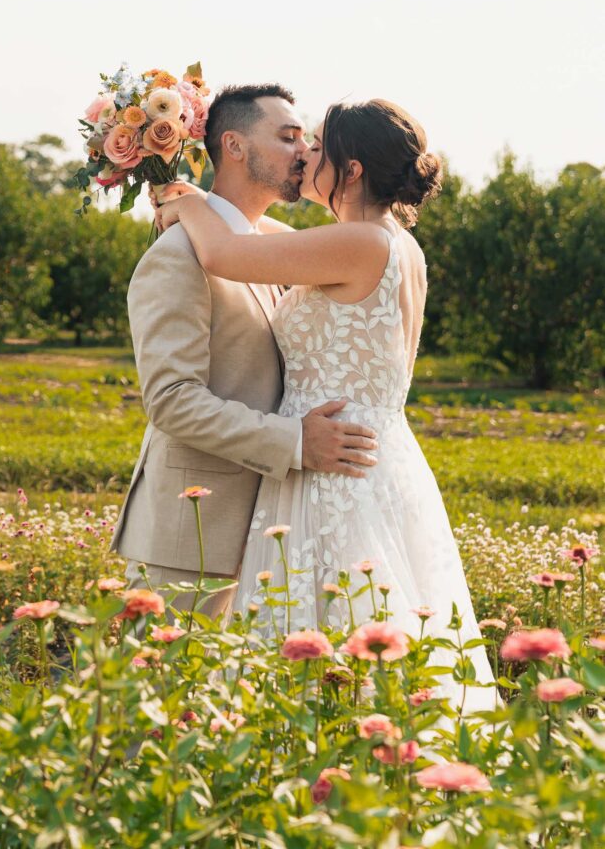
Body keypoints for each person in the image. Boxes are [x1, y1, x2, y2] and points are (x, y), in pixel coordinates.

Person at [154, 97, 497, 711]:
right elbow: (255, 237)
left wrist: (186, 202)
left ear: (353, 169)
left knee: (331, 643)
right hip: (362, 452)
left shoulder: (357, 243)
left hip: (329, 468)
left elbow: (226, 254)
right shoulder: (387, 242)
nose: (306, 155)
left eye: (317, 146)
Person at [109, 84, 380, 623]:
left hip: (278, 528)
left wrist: (188, 201)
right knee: (164, 702)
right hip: (193, 535)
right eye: (287, 137)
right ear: (233, 146)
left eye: (306, 139)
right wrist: (295, 441)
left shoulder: (270, 245)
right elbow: (172, 401)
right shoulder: (179, 256)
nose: (303, 152)